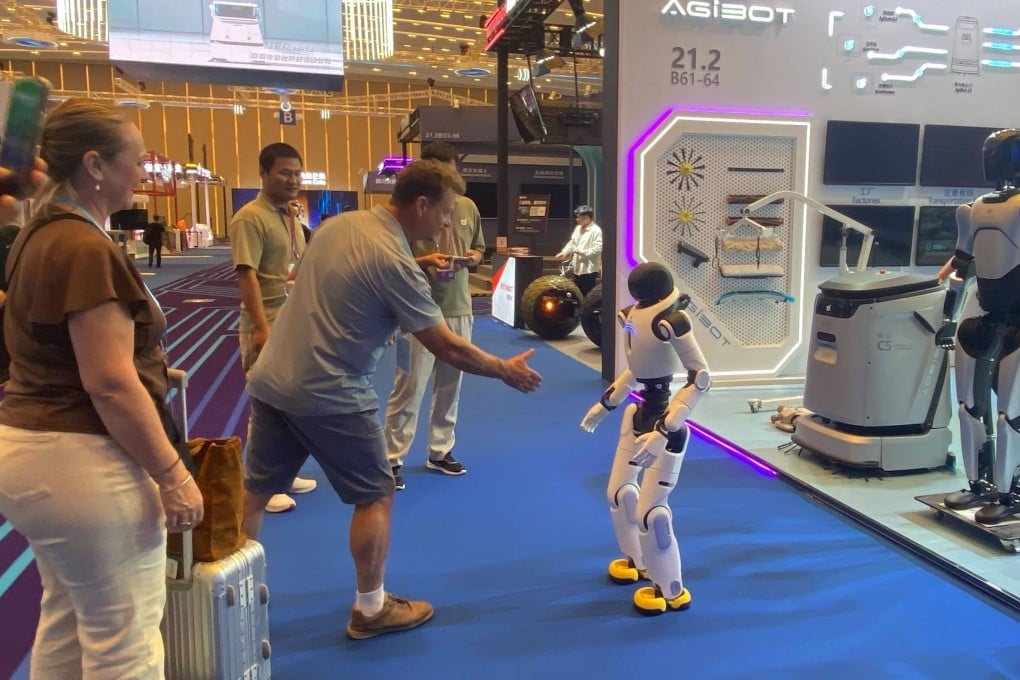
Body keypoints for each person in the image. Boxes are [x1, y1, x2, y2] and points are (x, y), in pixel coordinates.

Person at [241, 159, 542, 640]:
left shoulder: (340, 225)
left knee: (253, 492)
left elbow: (354, 275)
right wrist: (504, 370)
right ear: (422, 205)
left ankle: (233, 597)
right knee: (375, 494)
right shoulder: (394, 262)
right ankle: (371, 608)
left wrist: (416, 264)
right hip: (331, 390)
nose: (448, 223)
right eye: (445, 213)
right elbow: (446, 345)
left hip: (272, 380)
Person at [0, 98, 204, 678]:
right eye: (135, 162)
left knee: (67, 622)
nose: (143, 174)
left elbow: (53, 346)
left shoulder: (36, 234)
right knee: (126, 644)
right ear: (94, 165)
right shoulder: (85, 247)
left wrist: (152, 370)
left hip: (31, 453)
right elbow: (109, 384)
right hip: (82, 462)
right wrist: (172, 474)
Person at [580, 261, 710, 615]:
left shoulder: (672, 320)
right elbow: (635, 370)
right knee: (619, 495)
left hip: (666, 426)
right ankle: (636, 561)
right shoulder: (633, 315)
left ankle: (669, 588)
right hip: (637, 415)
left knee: (651, 515)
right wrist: (606, 404)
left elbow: (700, 377)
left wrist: (666, 429)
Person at [384, 141, 484, 490]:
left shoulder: (468, 207)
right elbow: (391, 263)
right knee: (409, 386)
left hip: (459, 307)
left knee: (450, 386)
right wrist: (424, 264)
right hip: (417, 310)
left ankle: (440, 451)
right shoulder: (408, 213)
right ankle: (392, 458)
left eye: (452, 167)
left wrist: (472, 258)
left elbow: (481, 249)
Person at [937, 128, 1020, 524]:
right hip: (983, 319)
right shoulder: (972, 210)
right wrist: (949, 317)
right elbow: (961, 267)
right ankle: (978, 485)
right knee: (970, 406)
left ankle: (1008, 493)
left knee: (1010, 414)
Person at [229, 142, 317, 513]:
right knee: (264, 403)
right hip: (264, 322)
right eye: (284, 172)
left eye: (297, 173)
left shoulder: (291, 218)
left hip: (291, 324)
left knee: (290, 400)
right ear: (263, 173)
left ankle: (283, 471)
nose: (293, 179)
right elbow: (246, 276)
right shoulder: (250, 218)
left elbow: (292, 268)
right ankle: (260, 482)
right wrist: (261, 328)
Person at [555, 204, 603, 297]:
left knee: (587, 294)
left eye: (579, 217)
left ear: (586, 217)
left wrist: (582, 252)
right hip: (577, 268)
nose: (577, 220)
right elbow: (572, 242)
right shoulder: (578, 229)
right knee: (577, 293)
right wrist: (565, 252)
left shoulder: (596, 230)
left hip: (589, 269)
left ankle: (586, 311)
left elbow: (597, 249)